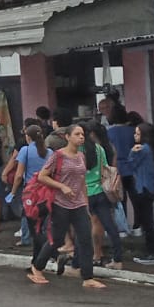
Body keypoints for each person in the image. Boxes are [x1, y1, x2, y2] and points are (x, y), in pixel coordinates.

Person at [27, 123, 105, 290]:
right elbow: (42, 176)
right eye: (77, 134)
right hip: (60, 204)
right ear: (67, 137)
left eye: (82, 134)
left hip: (78, 204)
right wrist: (61, 186)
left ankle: (88, 277)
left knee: (85, 239)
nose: (81, 137)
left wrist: (85, 203)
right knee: (56, 239)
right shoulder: (58, 156)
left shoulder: (81, 157)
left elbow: (82, 181)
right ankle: (37, 266)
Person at [83, 123, 125, 267]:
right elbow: (105, 170)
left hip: (85, 193)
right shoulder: (101, 149)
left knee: (86, 226)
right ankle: (118, 259)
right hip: (101, 191)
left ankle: (94, 254)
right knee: (110, 226)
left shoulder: (77, 151)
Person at [124, 123, 154, 265]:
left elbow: (131, 164)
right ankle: (153, 252)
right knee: (148, 221)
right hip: (150, 188)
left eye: (137, 133)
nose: (135, 136)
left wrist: (132, 152)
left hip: (143, 188)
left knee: (147, 222)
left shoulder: (142, 149)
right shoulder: (153, 149)